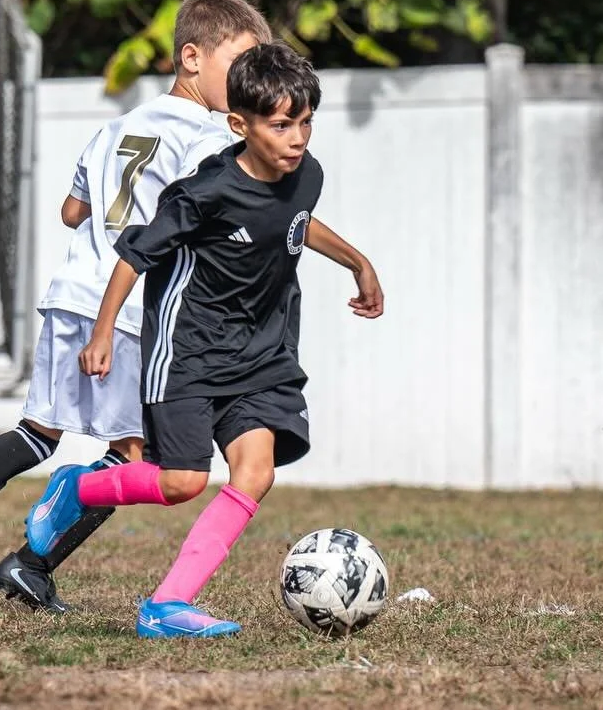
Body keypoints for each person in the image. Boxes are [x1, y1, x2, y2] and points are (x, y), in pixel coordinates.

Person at [0, 0, 270, 611]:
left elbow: (72, 210)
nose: (249, 80)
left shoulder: (115, 128)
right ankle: (31, 564)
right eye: (240, 62)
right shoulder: (209, 139)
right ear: (192, 57)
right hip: (132, 309)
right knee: (138, 455)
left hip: (71, 296)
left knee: (37, 432)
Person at [22, 41, 384, 638]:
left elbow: (293, 222)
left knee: (255, 473)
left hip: (263, 353)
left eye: (305, 122)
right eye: (281, 125)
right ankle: (77, 488)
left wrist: (357, 262)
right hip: (186, 352)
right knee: (181, 483)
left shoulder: (306, 175)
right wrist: (103, 332)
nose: (297, 138)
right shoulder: (205, 191)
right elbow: (133, 256)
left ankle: (166, 606)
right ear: (239, 126)